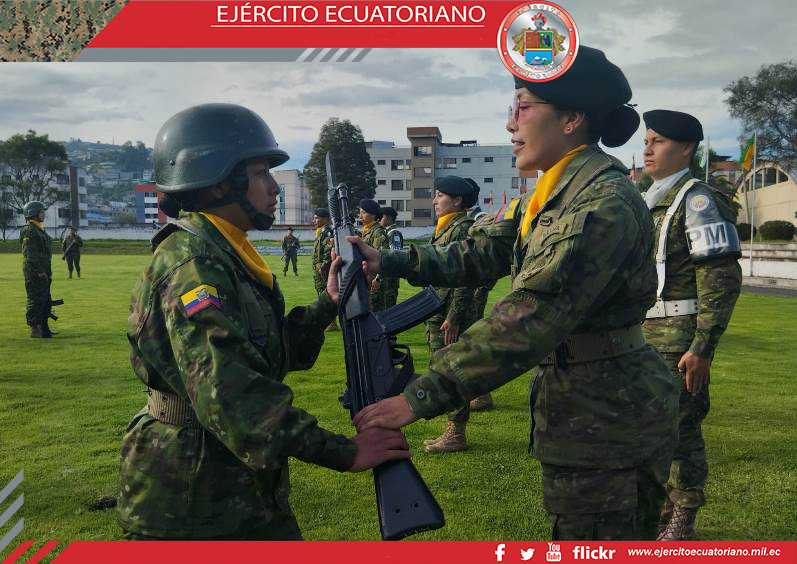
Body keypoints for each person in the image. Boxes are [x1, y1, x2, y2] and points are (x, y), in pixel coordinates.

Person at [349, 46, 679, 540]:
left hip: (611, 418)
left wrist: (420, 396)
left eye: (522, 107)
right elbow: (479, 252)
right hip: (588, 406)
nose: (510, 124)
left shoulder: (600, 204)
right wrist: (387, 259)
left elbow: (530, 315)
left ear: (571, 118)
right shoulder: (553, 194)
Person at [118, 103, 410, 541]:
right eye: (260, 174)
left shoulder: (223, 253)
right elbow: (232, 394)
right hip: (190, 500)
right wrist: (345, 451)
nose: (274, 187)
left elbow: (262, 352)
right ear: (220, 182)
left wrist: (328, 303)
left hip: (229, 483)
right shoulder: (195, 266)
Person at [641, 109, 742, 540]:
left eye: (658, 141)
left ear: (686, 148)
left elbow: (720, 279)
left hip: (679, 336)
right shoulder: (651, 201)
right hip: (643, 335)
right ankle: (663, 505)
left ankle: (684, 517)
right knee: (648, 426)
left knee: (681, 427)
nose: (648, 149)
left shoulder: (698, 201)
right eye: (646, 141)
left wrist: (702, 347)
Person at [419, 177, 481, 454]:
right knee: (442, 368)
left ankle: (456, 433)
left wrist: (455, 315)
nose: (435, 200)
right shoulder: (447, 227)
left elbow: (466, 277)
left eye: (440, 195)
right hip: (438, 308)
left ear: (457, 200)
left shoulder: (462, 229)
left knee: (452, 370)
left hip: (449, 313)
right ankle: (451, 428)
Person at [20, 201, 55, 338]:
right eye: (41, 212)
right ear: (33, 213)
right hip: (34, 272)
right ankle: (35, 329)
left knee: (44, 299)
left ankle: (44, 327)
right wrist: (39, 271)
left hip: (43, 270)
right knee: (35, 299)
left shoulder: (38, 228)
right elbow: (30, 254)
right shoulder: (29, 230)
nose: (44, 214)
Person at [357, 199, 390, 312]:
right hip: (367, 279)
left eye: (363, 212)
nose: (360, 216)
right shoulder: (367, 231)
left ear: (373, 214)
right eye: (360, 212)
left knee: (376, 313)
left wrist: (378, 279)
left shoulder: (377, 232)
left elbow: (383, 257)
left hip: (374, 281)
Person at [312, 207, 337, 331]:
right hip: (319, 270)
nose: (314, 220)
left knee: (327, 295)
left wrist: (322, 267)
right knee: (322, 294)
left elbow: (328, 252)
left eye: (317, 218)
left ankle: (331, 323)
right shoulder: (320, 232)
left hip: (325, 271)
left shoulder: (328, 232)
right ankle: (329, 322)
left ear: (325, 219)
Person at [379, 206, 403, 309]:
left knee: (389, 308)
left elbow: (395, 254)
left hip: (389, 279)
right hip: (384, 278)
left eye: (381, 217)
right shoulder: (386, 232)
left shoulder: (394, 233)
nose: (379, 219)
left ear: (389, 218)